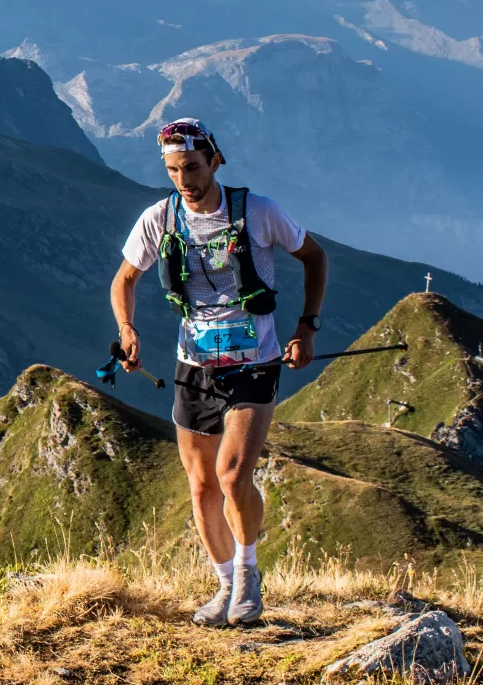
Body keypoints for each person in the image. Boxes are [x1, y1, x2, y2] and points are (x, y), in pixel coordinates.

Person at [109, 118, 329, 627]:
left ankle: (250, 575)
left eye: (191, 166)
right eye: (173, 170)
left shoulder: (259, 212)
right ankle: (224, 584)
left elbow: (314, 258)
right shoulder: (159, 219)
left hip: (255, 362)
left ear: (214, 161)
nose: (183, 179)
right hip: (194, 365)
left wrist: (307, 328)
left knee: (232, 475)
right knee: (202, 485)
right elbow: (125, 279)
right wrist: (128, 330)